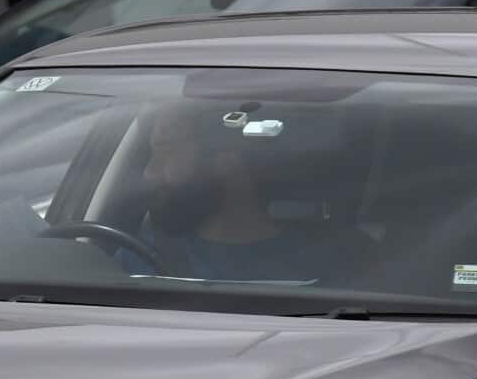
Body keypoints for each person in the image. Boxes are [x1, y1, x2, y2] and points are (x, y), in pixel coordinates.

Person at [121, 104, 370, 282]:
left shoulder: (344, 264)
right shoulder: (138, 261)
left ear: (227, 163)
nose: (149, 173)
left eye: (165, 149)